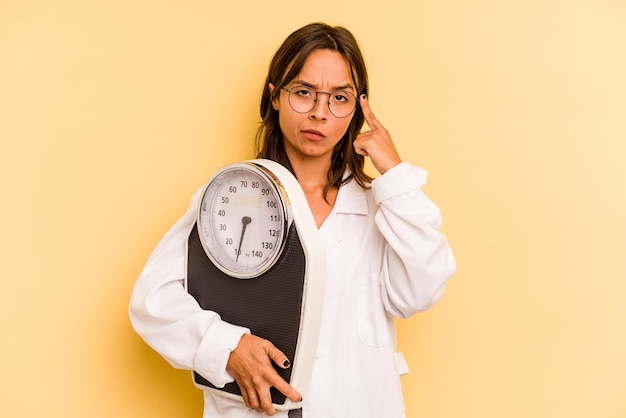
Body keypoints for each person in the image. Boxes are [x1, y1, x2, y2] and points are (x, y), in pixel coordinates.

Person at [129, 22, 456, 418]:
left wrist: (397, 177)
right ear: (275, 96)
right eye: (303, 93)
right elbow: (152, 301)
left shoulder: (381, 208)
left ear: (358, 109)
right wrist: (226, 346)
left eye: (339, 98)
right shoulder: (229, 198)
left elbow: (420, 291)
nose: (320, 113)